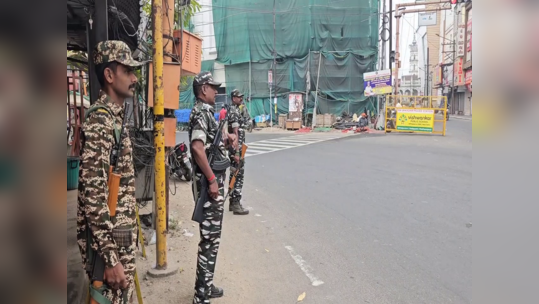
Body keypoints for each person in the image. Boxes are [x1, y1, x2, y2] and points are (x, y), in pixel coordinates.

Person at [77, 40, 144, 304]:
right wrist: (110, 258)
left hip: (120, 241)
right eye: (128, 70)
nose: (134, 77)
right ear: (109, 75)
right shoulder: (100, 121)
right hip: (110, 251)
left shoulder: (114, 118)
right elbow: (94, 197)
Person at [189, 71, 237, 304]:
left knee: (212, 239)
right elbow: (198, 148)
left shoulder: (208, 113)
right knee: (210, 239)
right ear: (202, 89)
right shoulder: (200, 112)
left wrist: (227, 140)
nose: (216, 91)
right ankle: (201, 296)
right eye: (213, 87)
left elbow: (210, 144)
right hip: (210, 186)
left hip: (213, 183)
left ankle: (205, 285)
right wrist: (211, 180)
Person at [226, 89, 250, 215]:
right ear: (233, 98)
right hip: (236, 148)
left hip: (236, 148)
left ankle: (232, 202)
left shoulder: (235, 109)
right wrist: (236, 153)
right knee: (238, 175)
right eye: (239, 97)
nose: (241, 99)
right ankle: (236, 203)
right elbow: (236, 133)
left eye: (241, 97)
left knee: (234, 174)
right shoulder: (234, 111)